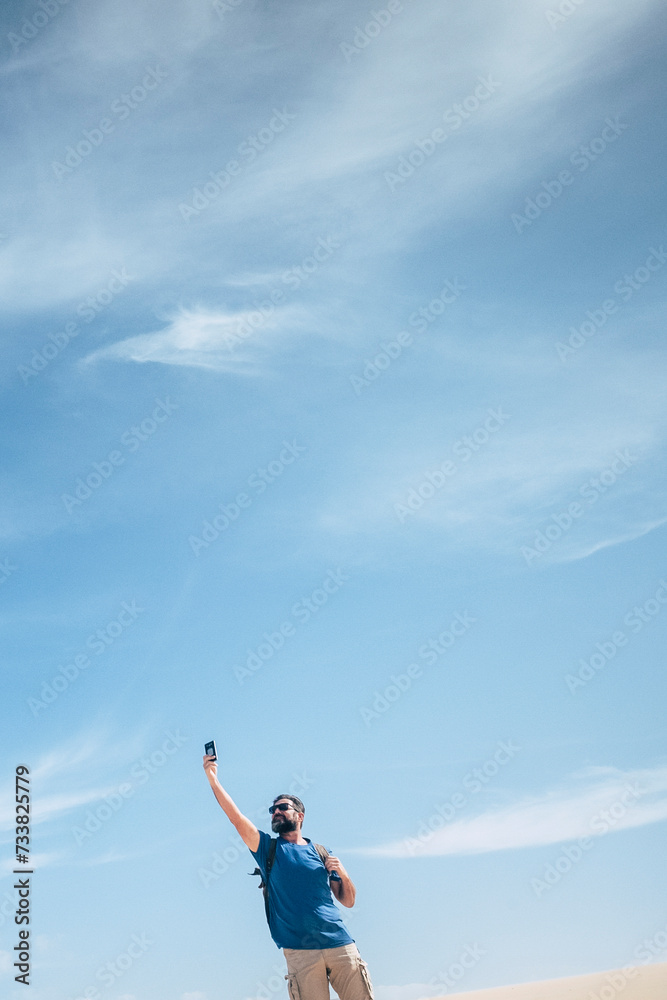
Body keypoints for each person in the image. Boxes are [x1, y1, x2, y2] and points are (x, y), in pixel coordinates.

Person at [203, 753, 374, 1000]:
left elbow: (348, 901)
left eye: (283, 807)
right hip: (300, 953)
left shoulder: (321, 852)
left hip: (340, 945)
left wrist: (343, 873)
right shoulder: (268, 850)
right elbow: (236, 819)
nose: (276, 812)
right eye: (273, 810)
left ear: (299, 816)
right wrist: (213, 779)